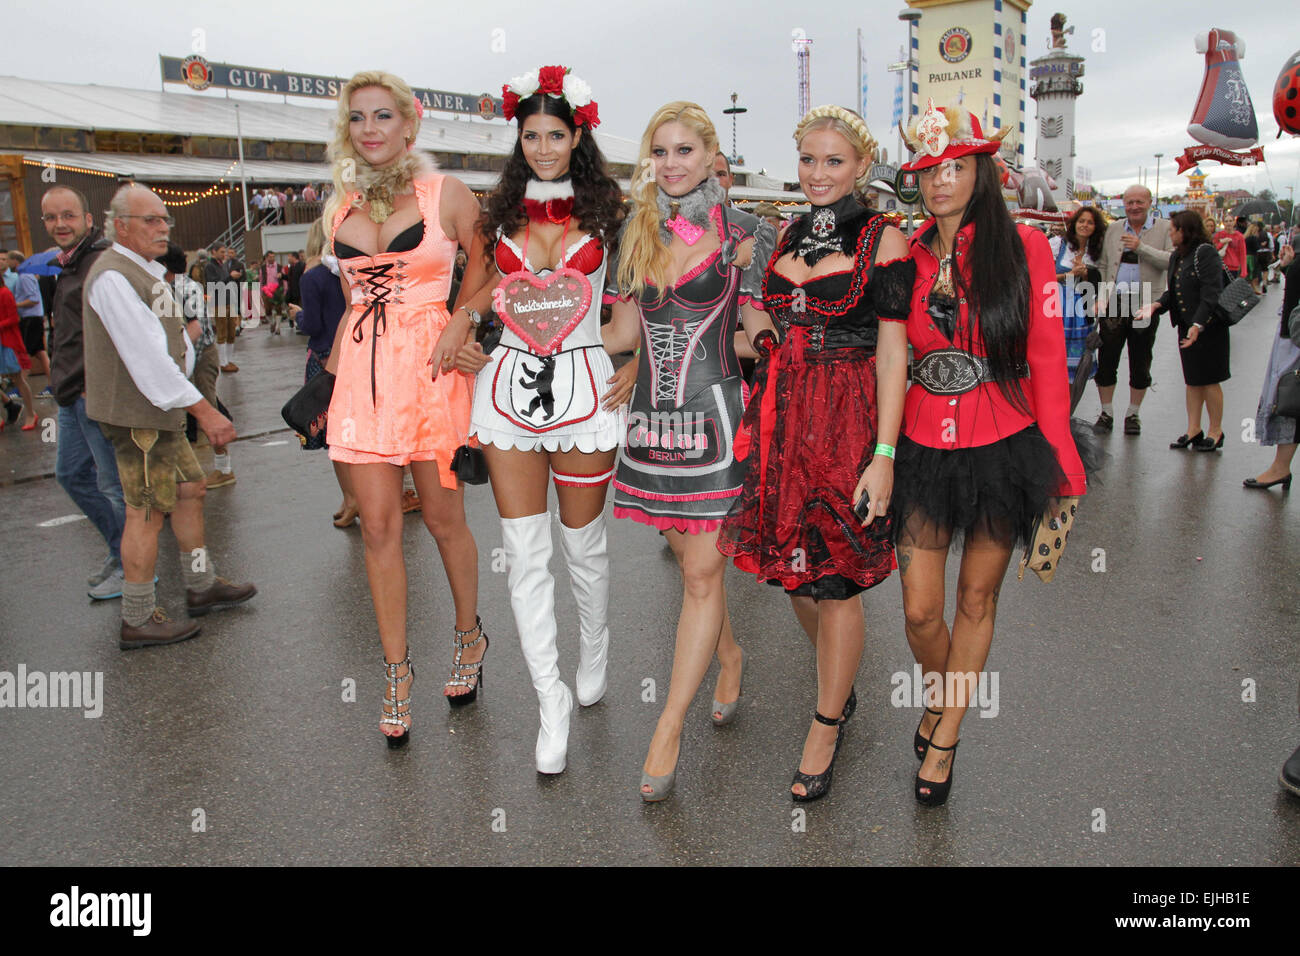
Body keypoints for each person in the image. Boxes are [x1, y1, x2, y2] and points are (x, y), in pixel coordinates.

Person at [893, 102, 1088, 806]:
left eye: (956, 166)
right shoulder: (904, 251)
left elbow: (1045, 362)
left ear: (981, 170)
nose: (942, 181)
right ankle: (946, 697)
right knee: (919, 611)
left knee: (976, 598)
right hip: (921, 446)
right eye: (930, 170)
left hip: (1005, 446)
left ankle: (945, 734)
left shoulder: (1028, 250)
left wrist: (1064, 465)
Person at [718, 105, 912, 801]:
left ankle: (827, 720)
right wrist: (766, 339)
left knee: (836, 582)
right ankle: (840, 678)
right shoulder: (788, 232)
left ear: (862, 165)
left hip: (850, 420)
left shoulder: (885, 238)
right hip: (783, 416)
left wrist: (884, 453)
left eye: (834, 161)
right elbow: (758, 308)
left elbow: (894, 353)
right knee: (793, 575)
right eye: (808, 159)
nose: (818, 173)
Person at [450, 66, 628, 774]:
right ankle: (548, 700)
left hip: (586, 386)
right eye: (531, 135)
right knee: (525, 555)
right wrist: (464, 318)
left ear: (577, 133)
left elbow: (655, 284)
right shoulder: (499, 213)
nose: (544, 147)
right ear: (518, 137)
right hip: (507, 390)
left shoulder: (615, 210)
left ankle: (596, 645)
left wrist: (639, 359)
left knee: (582, 550)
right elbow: (485, 288)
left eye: (556, 134)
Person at [602, 101, 777, 800]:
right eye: (660, 152)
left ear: (711, 156)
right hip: (651, 419)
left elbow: (756, 325)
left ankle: (668, 726)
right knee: (688, 560)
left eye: (684, 150)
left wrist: (764, 344)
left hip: (716, 416)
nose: (671, 163)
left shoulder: (748, 232)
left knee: (703, 573)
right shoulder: (636, 227)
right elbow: (620, 331)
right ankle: (729, 653)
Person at [322, 70, 484, 747]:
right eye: (358, 118)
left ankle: (469, 635)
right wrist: (328, 377)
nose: (370, 129)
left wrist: (463, 318)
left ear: (410, 125)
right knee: (380, 529)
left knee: (444, 520)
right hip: (363, 377)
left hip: (431, 367)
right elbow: (354, 301)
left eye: (383, 116)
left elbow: (493, 264)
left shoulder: (445, 193)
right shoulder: (339, 206)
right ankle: (395, 672)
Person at [83, 183, 256, 648]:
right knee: (146, 511)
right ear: (121, 226)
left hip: (159, 413)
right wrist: (206, 410)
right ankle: (138, 618)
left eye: (165, 220)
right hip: (140, 417)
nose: (163, 228)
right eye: (151, 221)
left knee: (189, 490)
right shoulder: (114, 277)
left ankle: (200, 585)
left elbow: (169, 344)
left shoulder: (146, 272)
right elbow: (148, 361)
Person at [40, 185, 127, 598]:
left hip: (94, 395)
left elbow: (119, 332)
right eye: (51, 218)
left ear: (88, 220)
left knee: (112, 485)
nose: (60, 224)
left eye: (68, 215)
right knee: (72, 474)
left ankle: (133, 569)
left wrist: (99, 386)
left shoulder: (99, 264)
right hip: (71, 394)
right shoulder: (71, 265)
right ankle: (119, 551)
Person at [1135, 211, 1230, 452]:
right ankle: (1193, 429)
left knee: (1209, 381)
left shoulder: (1205, 253)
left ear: (1185, 230)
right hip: (1187, 327)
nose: (1170, 233)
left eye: (1173, 229)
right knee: (1193, 381)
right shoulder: (1178, 256)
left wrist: (1198, 325)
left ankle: (1215, 431)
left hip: (1208, 328)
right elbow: (1175, 291)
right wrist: (1157, 305)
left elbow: (1211, 293)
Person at [289, 219, 354, 524]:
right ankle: (357, 498)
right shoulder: (351, 269)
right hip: (355, 353)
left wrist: (299, 316)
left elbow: (312, 325)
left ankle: (352, 499)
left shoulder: (311, 275)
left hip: (326, 359)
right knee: (355, 432)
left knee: (334, 436)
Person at [1095, 185, 1172, 435]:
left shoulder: (1163, 228)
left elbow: (1170, 260)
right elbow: (1105, 264)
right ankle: (1106, 413)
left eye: (1139, 202)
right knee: (1107, 359)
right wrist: (1102, 297)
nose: (1134, 207)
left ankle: (1133, 414)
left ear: (1150, 202)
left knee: (1140, 360)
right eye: (1129, 202)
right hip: (1115, 301)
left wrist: (1140, 247)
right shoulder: (1115, 228)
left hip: (1145, 302)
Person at [1245, 240, 1299, 491]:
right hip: (1292, 336)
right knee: (1290, 401)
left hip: (1295, 340)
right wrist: (1288, 268)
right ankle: (1280, 467)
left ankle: (1280, 468)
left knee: (1289, 399)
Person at [1051, 206, 1105, 383]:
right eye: (1082, 221)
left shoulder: (1097, 251)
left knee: (1077, 365)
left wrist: (1086, 274)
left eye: (1090, 222)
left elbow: (1098, 283)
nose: (1085, 225)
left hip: (1081, 308)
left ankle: (1070, 405)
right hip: (1055, 305)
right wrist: (1070, 274)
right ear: (1074, 224)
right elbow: (1042, 276)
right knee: (1053, 359)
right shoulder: (1058, 244)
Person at [0, 281, 38, 430]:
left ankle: (30, 413)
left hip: (8, 342)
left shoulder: (5, 293)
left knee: (18, 379)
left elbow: (14, 318)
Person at [9, 252, 50, 381]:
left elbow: (33, 299)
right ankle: (52, 381)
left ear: (15, 262)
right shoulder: (27, 275)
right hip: (33, 317)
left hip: (30, 318)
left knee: (26, 351)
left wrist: (15, 305)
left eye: (8, 260)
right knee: (38, 352)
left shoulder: (24, 277)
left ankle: (21, 384)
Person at [206, 246, 239, 372]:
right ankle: (223, 362)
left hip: (228, 301)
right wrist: (230, 277)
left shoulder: (222, 265)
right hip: (218, 302)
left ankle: (229, 360)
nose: (224, 254)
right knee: (222, 332)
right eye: (221, 252)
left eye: (224, 252)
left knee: (231, 332)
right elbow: (214, 284)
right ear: (213, 252)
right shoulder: (210, 266)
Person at [1244, 221, 1263, 295]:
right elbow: (1257, 248)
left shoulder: (1246, 237)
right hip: (1252, 257)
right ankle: (1253, 288)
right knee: (1253, 274)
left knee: (1247, 274)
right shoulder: (1253, 238)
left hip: (1246, 256)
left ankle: (1251, 288)